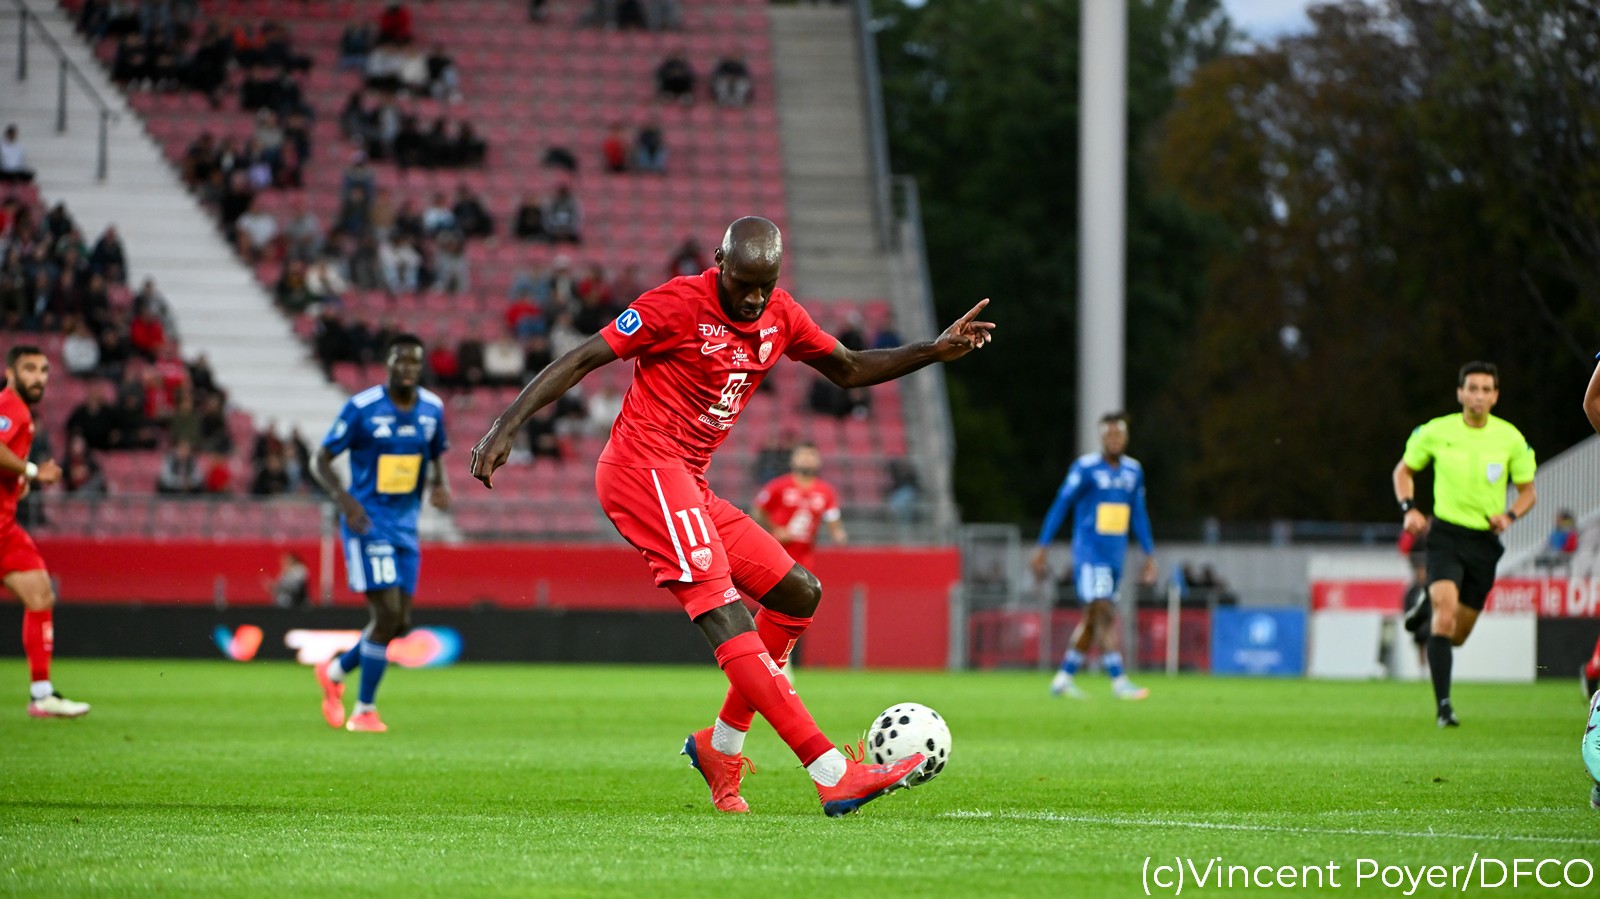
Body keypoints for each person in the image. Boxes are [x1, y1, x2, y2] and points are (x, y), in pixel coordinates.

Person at [469, 217, 993, 816]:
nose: (753, 298)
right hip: (644, 470)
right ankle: (831, 772)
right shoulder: (675, 305)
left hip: (689, 482)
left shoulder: (781, 314)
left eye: (765, 285)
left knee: (798, 593)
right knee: (727, 615)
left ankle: (720, 748)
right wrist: (506, 424)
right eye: (743, 283)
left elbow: (849, 368)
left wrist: (933, 349)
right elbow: (584, 357)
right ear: (719, 262)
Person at [312, 334, 450, 733]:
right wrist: (343, 499)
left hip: (406, 525)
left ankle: (334, 672)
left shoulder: (432, 408)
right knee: (386, 614)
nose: (407, 368)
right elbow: (320, 458)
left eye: (414, 362)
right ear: (386, 364)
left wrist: (439, 483)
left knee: (400, 623)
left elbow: (435, 453)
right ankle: (364, 710)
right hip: (367, 523)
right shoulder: (362, 408)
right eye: (400, 361)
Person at [1395, 361, 1536, 728]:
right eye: (1472, 388)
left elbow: (1528, 492)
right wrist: (1409, 509)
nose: (1478, 396)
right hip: (1445, 535)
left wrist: (1510, 516)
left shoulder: (1510, 438)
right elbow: (1403, 471)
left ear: (1495, 396)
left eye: (1486, 389)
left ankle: (1426, 604)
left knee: (1456, 635)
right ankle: (1444, 707)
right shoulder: (1437, 431)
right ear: (1460, 393)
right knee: (1444, 618)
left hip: (1483, 543)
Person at [1029, 412, 1157, 700]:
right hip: (1090, 555)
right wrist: (1042, 546)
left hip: (1115, 557)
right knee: (1102, 611)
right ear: (1101, 438)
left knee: (1091, 619)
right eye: (1109, 435)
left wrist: (1149, 554)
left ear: (1126, 437)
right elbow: (1061, 504)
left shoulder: (1133, 471)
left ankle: (1063, 678)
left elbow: (1138, 514)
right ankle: (1119, 680)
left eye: (1118, 434)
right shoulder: (1085, 468)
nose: (1114, 440)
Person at [0, 347, 89, 717]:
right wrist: (33, 471)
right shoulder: (10, 406)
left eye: (43, 370)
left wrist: (18, 481)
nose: (38, 377)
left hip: (5, 529)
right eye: (29, 369)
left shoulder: (20, 411)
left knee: (40, 594)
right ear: (10, 371)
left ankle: (42, 694)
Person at [753, 443, 845, 573]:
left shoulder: (826, 492)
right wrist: (775, 529)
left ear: (819, 461)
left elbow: (833, 519)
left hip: (805, 558)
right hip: (777, 554)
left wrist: (838, 535)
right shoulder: (778, 485)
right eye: (802, 455)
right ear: (793, 459)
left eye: (811, 455)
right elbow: (758, 511)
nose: (806, 459)